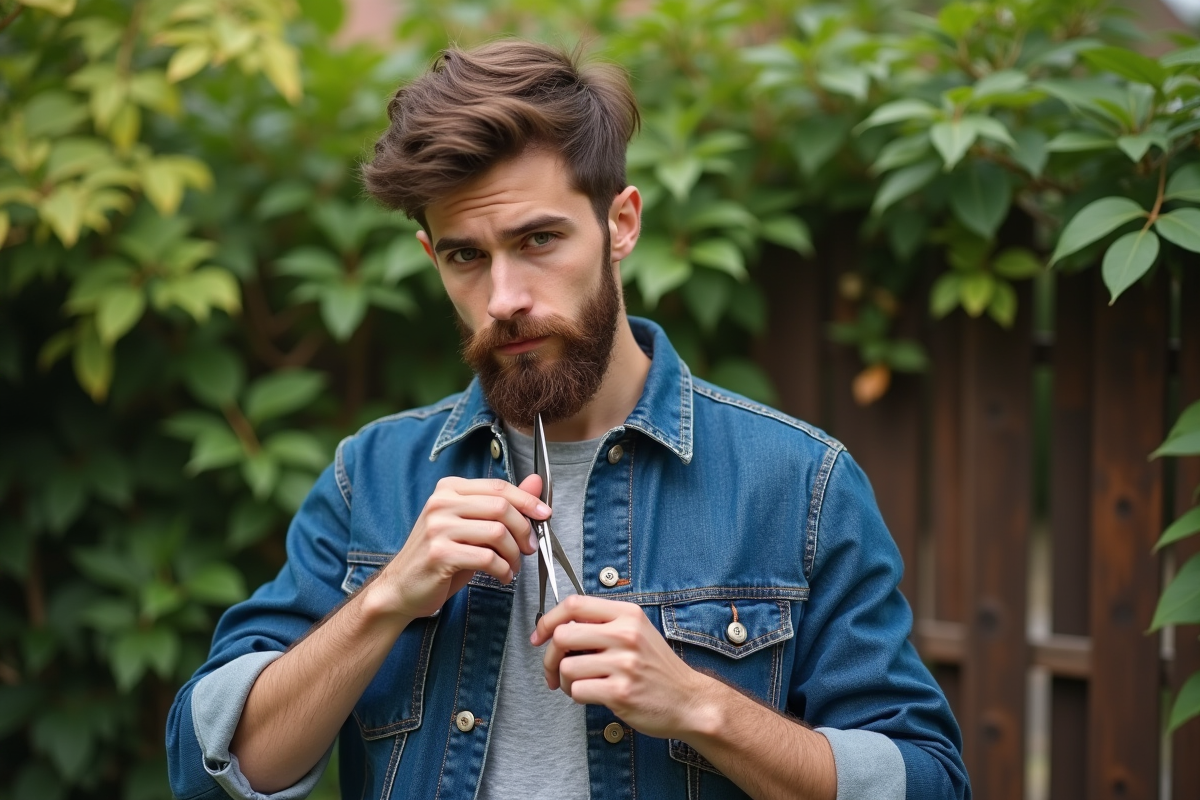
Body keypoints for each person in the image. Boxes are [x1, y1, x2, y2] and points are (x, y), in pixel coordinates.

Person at [166, 40, 969, 800]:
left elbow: (924, 779)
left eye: (539, 239)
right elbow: (214, 767)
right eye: (465, 256)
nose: (505, 298)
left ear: (621, 223)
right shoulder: (370, 476)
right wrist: (385, 599)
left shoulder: (798, 482)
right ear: (430, 257)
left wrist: (700, 706)